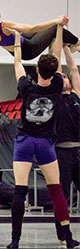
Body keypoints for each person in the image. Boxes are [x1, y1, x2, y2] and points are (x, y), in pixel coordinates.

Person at [7, 23, 79, 249]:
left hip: (25, 141)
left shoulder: (26, 87)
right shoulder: (58, 85)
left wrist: (17, 41)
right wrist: (59, 28)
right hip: (46, 143)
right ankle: (67, 238)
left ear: (37, 70)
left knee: (20, 190)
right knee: (57, 190)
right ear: (54, 71)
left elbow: (17, 63)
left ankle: (15, 240)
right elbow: (55, 53)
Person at [0, 0, 80, 60]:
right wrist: (57, 21)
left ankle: (71, 46)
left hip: (19, 47)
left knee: (36, 33)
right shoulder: (3, 26)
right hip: (28, 49)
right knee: (54, 28)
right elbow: (32, 28)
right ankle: (77, 44)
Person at [54, 45, 80, 244]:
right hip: (60, 152)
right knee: (61, 195)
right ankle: (63, 234)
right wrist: (57, 42)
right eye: (60, 76)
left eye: (65, 77)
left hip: (78, 151)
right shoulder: (54, 98)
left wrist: (66, 48)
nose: (63, 78)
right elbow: (57, 71)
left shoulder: (76, 95)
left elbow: (73, 69)